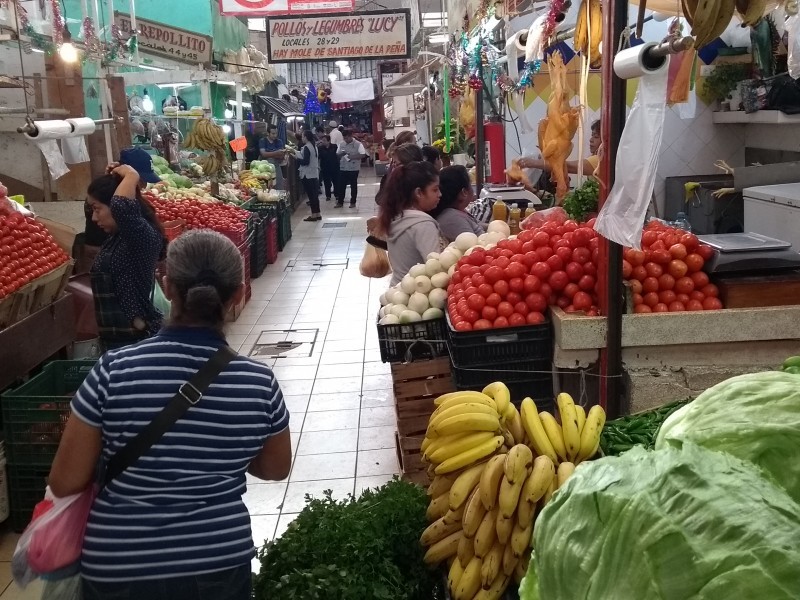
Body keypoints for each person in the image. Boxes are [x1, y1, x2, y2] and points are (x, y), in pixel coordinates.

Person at [48, 229, 292, 600]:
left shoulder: (114, 370)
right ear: (238, 294)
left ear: (166, 285)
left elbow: (65, 481)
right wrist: (220, 451)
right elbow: (275, 468)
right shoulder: (257, 383)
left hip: (120, 565)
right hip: (217, 561)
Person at [86, 164, 166, 351]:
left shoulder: (142, 237)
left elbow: (121, 206)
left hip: (137, 341)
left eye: (97, 209)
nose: (94, 218)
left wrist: (131, 175)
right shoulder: (117, 238)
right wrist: (116, 181)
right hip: (116, 340)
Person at [81, 147, 161, 273]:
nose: (144, 186)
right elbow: (119, 206)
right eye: (140, 180)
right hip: (95, 252)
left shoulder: (137, 219)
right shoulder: (115, 204)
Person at [378, 161, 447, 286]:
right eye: (435, 190)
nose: (440, 194)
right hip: (417, 294)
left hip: (397, 291)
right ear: (418, 193)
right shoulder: (423, 224)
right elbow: (435, 268)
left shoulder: (396, 216)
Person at [518, 119, 602, 177]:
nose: (591, 140)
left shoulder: (597, 160)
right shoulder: (596, 159)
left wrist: (533, 163)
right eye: (592, 136)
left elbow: (568, 166)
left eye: (596, 136)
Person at [430, 165, 485, 241]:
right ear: (464, 192)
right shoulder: (453, 219)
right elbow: (471, 246)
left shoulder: (458, 211)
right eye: (470, 184)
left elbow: (479, 225)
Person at [335, 129, 366, 208]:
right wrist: (341, 154)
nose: (345, 140)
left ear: (351, 136)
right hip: (343, 168)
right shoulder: (341, 144)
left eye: (347, 138)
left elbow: (363, 155)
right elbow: (337, 154)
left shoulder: (358, 144)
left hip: (354, 168)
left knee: (353, 185)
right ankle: (340, 202)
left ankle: (353, 202)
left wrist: (352, 157)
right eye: (344, 138)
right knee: (341, 185)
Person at [296, 130, 321, 222]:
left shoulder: (307, 147)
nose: (302, 138)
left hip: (307, 174)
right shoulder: (314, 146)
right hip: (314, 173)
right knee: (315, 195)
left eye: (302, 136)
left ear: (306, 137)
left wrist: (297, 158)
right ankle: (318, 213)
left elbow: (305, 162)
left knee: (311, 196)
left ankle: (313, 215)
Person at [258, 124, 287, 190]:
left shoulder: (279, 141)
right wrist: (276, 153)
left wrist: (271, 154)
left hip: (276, 166)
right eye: (273, 133)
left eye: (276, 133)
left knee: (279, 186)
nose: (275, 135)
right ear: (268, 133)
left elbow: (281, 155)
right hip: (264, 168)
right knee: (267, 187)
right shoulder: (263, 141)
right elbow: (263, 154)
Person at [318, 134, 339, 202]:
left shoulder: (334, 146)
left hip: (334, 167)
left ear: (329, 141)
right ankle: (328, 195)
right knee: (327, 183)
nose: (323, 142)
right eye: (322, 140)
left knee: (335, 182)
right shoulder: (320, 148)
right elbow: (319, 157)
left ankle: (337, 194)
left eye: (324, 140)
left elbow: (337, 156)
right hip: (325, 167)